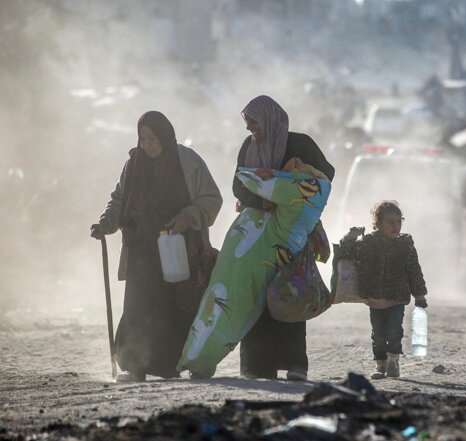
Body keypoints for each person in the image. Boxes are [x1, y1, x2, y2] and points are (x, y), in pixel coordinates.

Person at [90, 111, 222, 382]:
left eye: (152, 139)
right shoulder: (133, 165)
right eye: (142, 139)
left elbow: (211, 198)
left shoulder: (187, 161)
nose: (147, 145)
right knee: (138, 308)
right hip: (140, 250)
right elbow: (118, 200)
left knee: (174, 309)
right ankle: (135, 366)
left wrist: (189, 217)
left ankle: (172, 366)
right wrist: (105, 224)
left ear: (165, 136)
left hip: (177, 250)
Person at [234, 95, 335, 381]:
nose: (249, 129)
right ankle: (257, 365)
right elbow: (239, 183)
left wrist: (300, 171)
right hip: (258, 234)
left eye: (253, 122)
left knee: (291, 292)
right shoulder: (248, 147)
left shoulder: (301, 144)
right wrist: (262, 200)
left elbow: (326, 176)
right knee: (257, 296)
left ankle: (295, 364)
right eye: (247, 123)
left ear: (269, 118)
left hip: (292, 235)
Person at [336, 201, 428, 379]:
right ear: (378, 224)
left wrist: (420, 295)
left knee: (394, 331)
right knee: (378, 335)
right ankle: (381, 365)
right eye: (390, 222)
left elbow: (414, 270)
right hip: (375, 299)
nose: (396, 226)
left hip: (397, 298)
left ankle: (393, 361)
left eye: (398, 222)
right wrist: (350, 236)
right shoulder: (369, 242)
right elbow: (347, 254)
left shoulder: (405, 244)